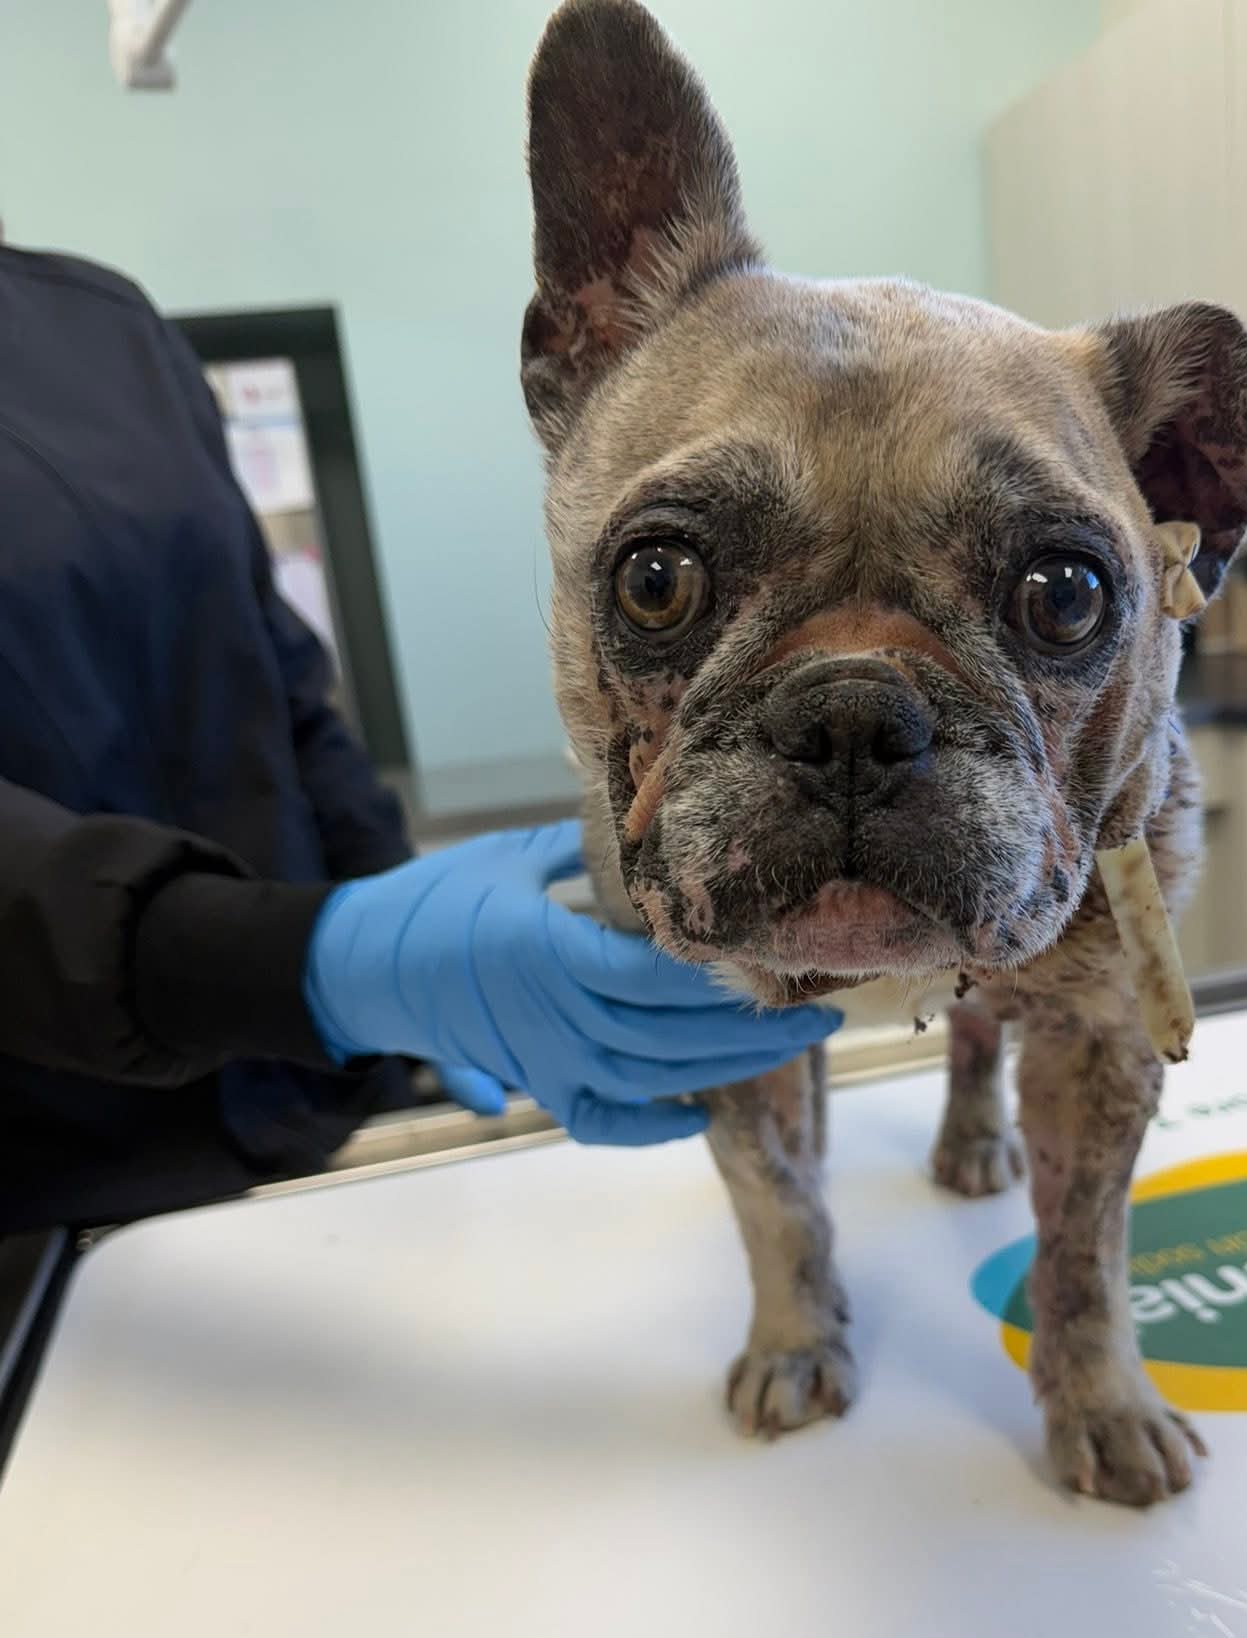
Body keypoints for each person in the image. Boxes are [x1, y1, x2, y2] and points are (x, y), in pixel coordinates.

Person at [0, 244, 835, 1233]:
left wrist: (390, 902)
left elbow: (272, 670)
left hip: (325, 1085)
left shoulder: (108, 323)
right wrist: (302, 960)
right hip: (54, 1161)